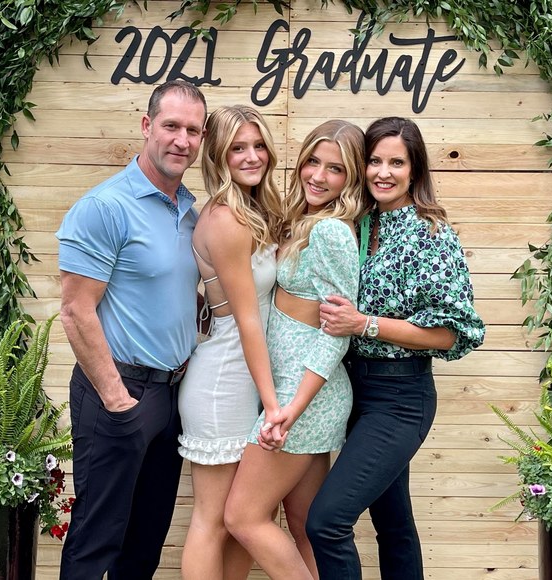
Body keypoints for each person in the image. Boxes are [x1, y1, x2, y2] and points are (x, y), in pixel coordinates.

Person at [305, 116, 486, 579]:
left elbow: (449, 334)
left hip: (400, 398)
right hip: (354, 391)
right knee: (393, 525)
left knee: (326, 522)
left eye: (397, 163)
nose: (383, 172)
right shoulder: (359, 224)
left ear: (415, 169)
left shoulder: (432, 234)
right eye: (374, 161)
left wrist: (364, 324)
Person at [55, 80, 207, 580]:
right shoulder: (105, 207)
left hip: (171, 396)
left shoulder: (190, 212)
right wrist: (118, 400)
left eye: (193, 130)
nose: (181, 140)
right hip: (118, 391)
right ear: (147, 126)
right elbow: (76, 311)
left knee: (144, 543)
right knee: (96, 540)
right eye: (171, 126)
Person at [224, 119, 367, 579]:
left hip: (303, 395)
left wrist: (291, 408)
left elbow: (336, 332)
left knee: (242, 517)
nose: (319, 176)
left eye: (335, 169)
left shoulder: (330, 232)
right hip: (298, 392)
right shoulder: (302, 221)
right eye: (313, 162)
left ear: (352, 179)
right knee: (304, 526)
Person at [177, 105, 283, 579]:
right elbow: (248, 321)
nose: (252, 156)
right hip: (223, 382)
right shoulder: (225, 220)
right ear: (218, 155)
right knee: (213, 521)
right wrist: (273, 404)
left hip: (250, 378)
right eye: (238, 148)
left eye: (258, 145)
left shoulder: (254, 212)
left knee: (247, 521)